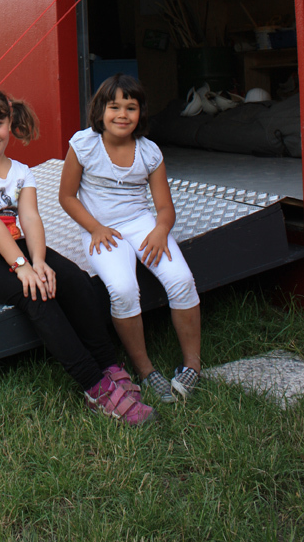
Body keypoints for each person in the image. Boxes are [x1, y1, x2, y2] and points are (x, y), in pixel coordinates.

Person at [0, 85, 155, 425]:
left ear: (10, 121)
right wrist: (22, 267)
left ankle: (109, 365)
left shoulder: (21, 171)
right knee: (36, 294)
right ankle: (95, 387)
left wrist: (38, 262)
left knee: (74, 279)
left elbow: (30, 219)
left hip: (13, 247)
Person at [59, 74, 201, 404]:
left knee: (181, 279)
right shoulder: (84, 145)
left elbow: (164, 207)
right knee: (123, 290)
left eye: (131, 107)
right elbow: (67, 196)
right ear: (100, 110)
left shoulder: (149, 152)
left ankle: (192, 365)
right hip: (101, 229)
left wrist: (160, 230)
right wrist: (95, 228)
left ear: (141, 113)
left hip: (141, 224)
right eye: (114, 107)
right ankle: (146, 370)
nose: (122, 114)